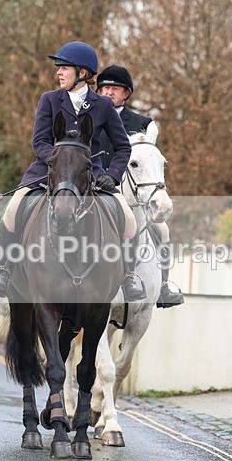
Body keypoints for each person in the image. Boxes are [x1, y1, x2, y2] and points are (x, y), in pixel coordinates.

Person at [0, 41, 145, 301]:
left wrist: (113, 175)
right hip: (47, 172)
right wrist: (59, 164)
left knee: (128, 218)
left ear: (82, 73)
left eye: (64, 68)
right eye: (58, 68)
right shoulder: (49, 100)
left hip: (89, 175)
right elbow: (39, 142)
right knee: (12, 210)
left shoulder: (103, 106)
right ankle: (5, 270)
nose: (58, 72)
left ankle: (129, 275)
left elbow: (122, 147)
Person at [96, 65, 184, 309]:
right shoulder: (88, 117)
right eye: (103, 88)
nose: (107, 92)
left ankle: (164, 286)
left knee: (162, 230)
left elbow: (149, 162)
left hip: (131, 195)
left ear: (126, 94)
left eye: (114, 88)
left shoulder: (142, 123)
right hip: (93, 190)